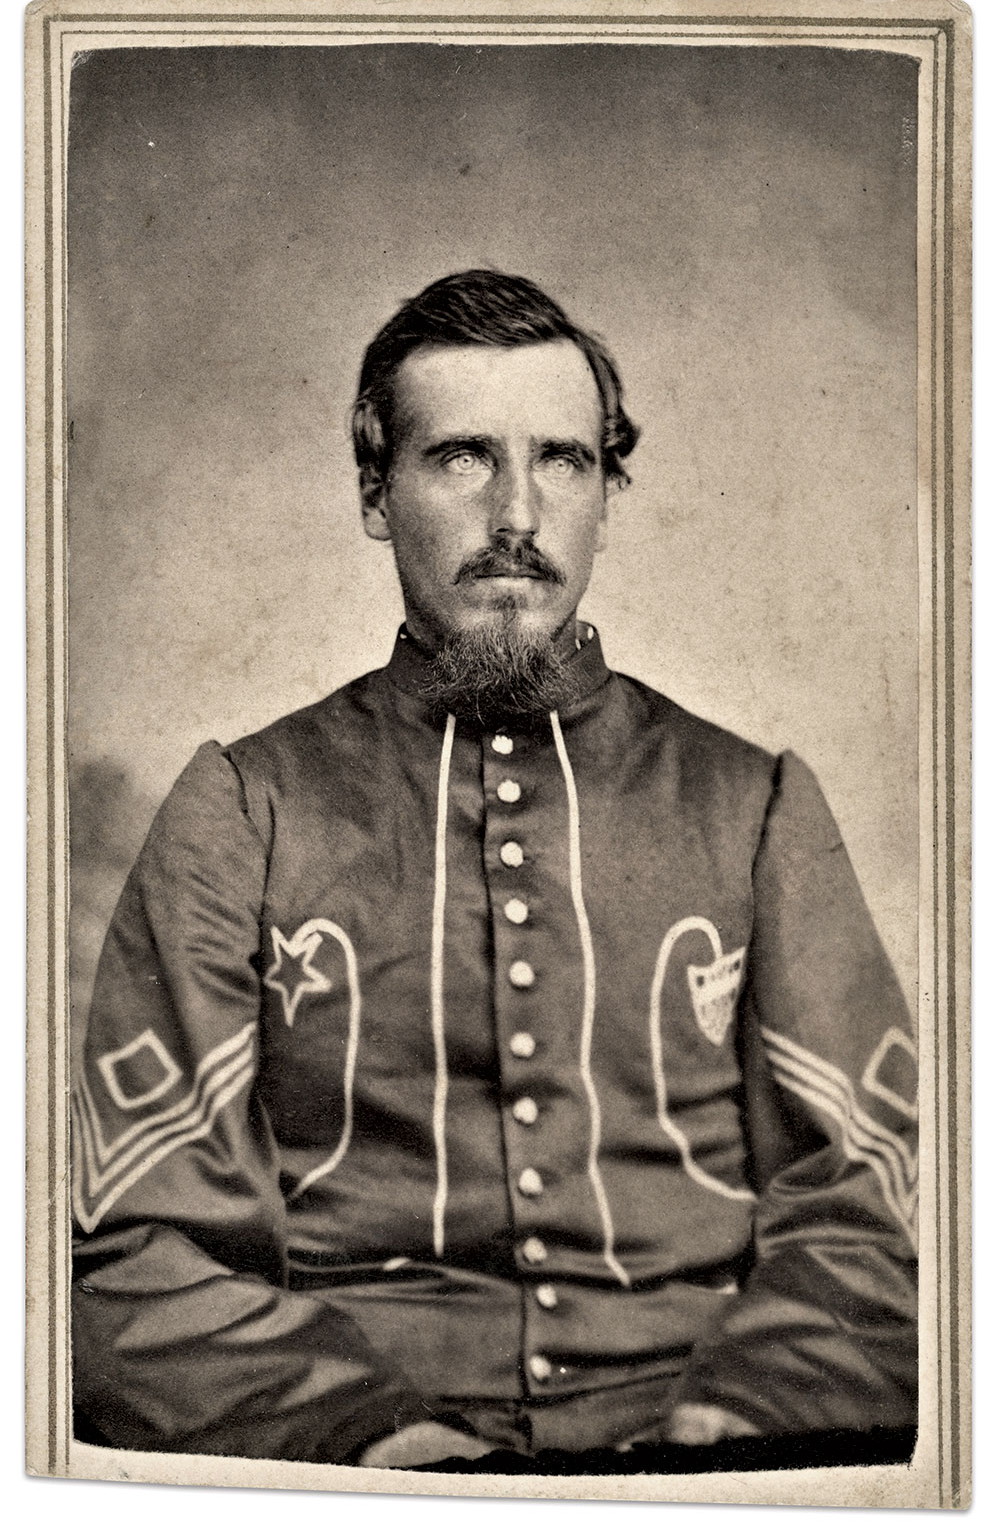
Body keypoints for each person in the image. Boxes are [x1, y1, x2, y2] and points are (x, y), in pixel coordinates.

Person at [71, 270, 918, 1472]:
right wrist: (366, 1436)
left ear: (608, 495)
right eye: (463, 457)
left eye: (564, 461)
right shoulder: (246, 805)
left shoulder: (749, 802)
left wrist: (735, 1424)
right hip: (350, 1466)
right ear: (376, 491)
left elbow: (872, 1204)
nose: (518, 512)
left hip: (714, 1458)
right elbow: (133, 1240)